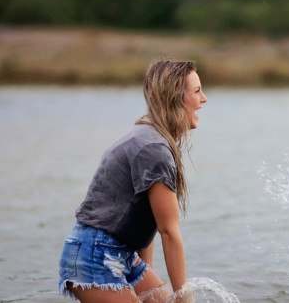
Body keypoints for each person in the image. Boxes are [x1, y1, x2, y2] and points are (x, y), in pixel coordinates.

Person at [58, 59, 207, 302]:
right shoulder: (154, 149)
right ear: (176, 98)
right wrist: (184, 299)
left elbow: (144, 219)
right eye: (197, 91)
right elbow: (168, 232)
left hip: (120, 255)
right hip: (94, 254)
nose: (204, 99)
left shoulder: (151, 137)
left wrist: (144, 275)